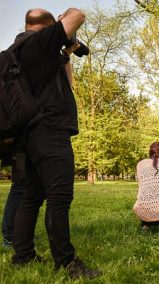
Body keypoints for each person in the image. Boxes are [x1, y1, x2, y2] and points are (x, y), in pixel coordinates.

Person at [10, 8, 101, 279]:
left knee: (32, 197)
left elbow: (66, 86)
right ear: (49, 29)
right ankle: (66, 263)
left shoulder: (20, 50)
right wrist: (65, 24)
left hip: (32, 136)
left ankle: (22, 255)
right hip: (51, 132)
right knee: (60, 198)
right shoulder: (39, 42)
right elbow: (78, 14)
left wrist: (66, 54)